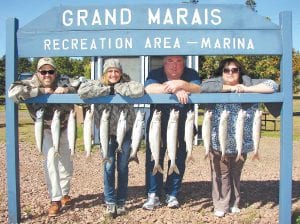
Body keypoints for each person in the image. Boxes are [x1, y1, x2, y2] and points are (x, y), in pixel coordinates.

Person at [200, 58, 279, 217]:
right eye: (226, 70)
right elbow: (203, 87)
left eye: (234, 70)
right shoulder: (214, 83)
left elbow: (273, 85)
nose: (230, 73)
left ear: (239, 71)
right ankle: (221, 205)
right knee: (220, 174)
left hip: (241, 141)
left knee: (235, 174)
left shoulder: (248, 82)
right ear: (221, 72)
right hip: (218, 142)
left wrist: (246, 89)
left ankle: (234, 202)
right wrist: (228, 88)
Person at [8, 57, 81, 217]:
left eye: (51, 71)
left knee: (66, 162)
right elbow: (12, 93)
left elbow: (83, 86)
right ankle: (55, 199)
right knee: (50, 161)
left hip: (66, 126)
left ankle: (64, 193)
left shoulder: (64, 80)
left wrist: (67, 90)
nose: (47, 74)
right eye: (43, 71)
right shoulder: (30, 82)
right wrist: (41, 91)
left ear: (55, 72)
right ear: (37, 72)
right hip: (44, 128)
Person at [78, 58, 144, 218]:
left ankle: (121, 202)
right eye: (110, 71)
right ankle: (110, 202)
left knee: (122, 168)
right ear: (105, 73)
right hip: (105, 133)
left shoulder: (128, 83)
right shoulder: (98, 84)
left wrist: (118, 88)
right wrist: (108, 90)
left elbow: (139, 90)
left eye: (116, 71)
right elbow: (82, 92)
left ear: (121, 73)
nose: (113, 74)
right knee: (108, 167)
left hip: (126, 132)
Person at [143, 55, 201, 210]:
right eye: (170, 61)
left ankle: (172, 193)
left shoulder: (191, 74)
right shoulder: (155, 73)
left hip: (183, 124)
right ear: (164, 62)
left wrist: (183, 85)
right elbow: (148, 88)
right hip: (158, 123)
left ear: (184, 63)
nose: (174, 65)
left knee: (178, 158)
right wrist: (175, 90)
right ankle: (153, 194)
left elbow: (198, 88)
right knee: (154, 157)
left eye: (178, 61)